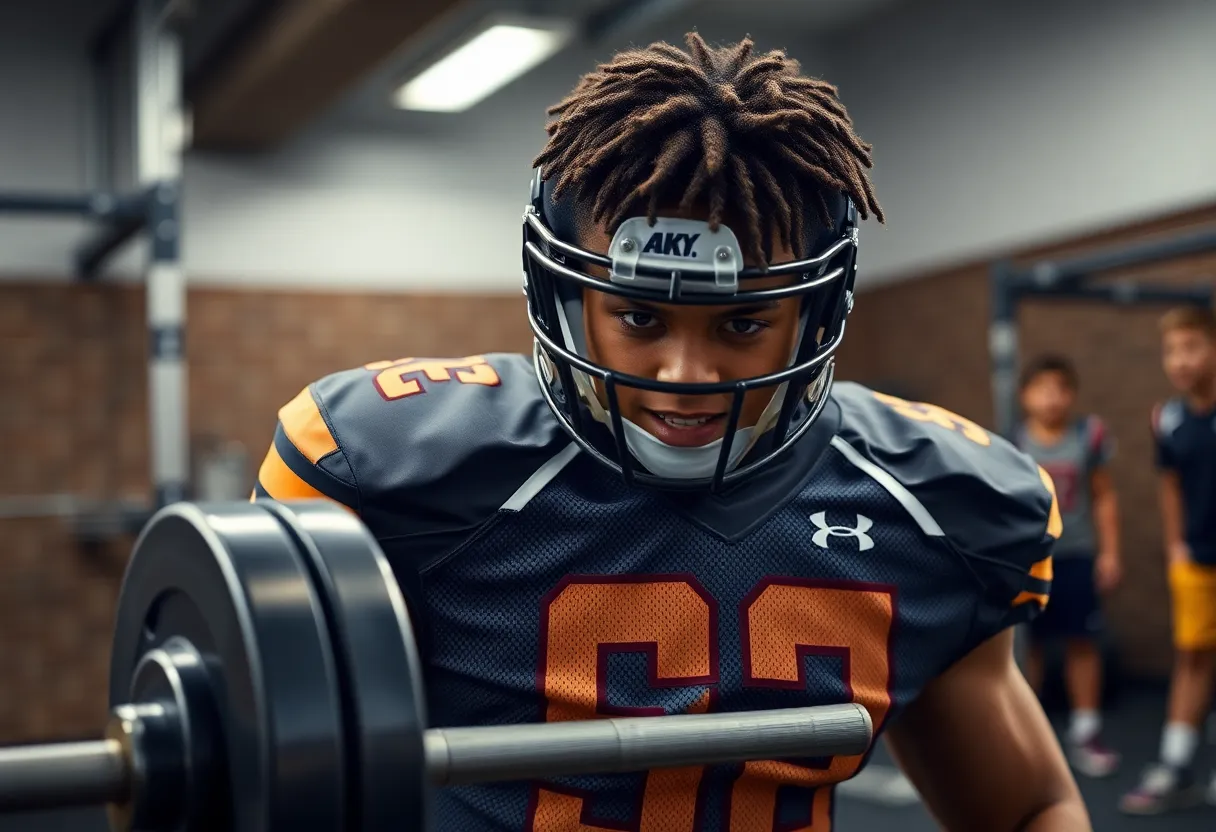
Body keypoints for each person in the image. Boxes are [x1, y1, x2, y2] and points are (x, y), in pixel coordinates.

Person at [253, 34, 1089, 831]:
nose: (685, 373)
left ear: (814, 313)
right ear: (568, 300)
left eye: (740, 323)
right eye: (641, 316)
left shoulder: (934, 502)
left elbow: (1027, 809)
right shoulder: (394, 465)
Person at [1120, 306, 1216, 815]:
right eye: (1172, 350)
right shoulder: (1171, 419)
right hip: (1197, 562)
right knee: (1193, 658)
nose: (1180, 360)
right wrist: (1176, 546)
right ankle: (1175, 766)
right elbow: (1170, 488)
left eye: (1192, 347)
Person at [1014, 355, 1122, 778]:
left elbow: (1104, 497)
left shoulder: (1087, 436)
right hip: (1032, 560)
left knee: (1083, 642)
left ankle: (1086, 730)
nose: (1051, 398)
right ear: (1025, 395)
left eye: (1060, 388)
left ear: (1072, 394)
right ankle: (1029, 732)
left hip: (1076, 557)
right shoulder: (1016, 439)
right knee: (1029, 645)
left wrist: (1110, 553)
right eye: (1041, 388)